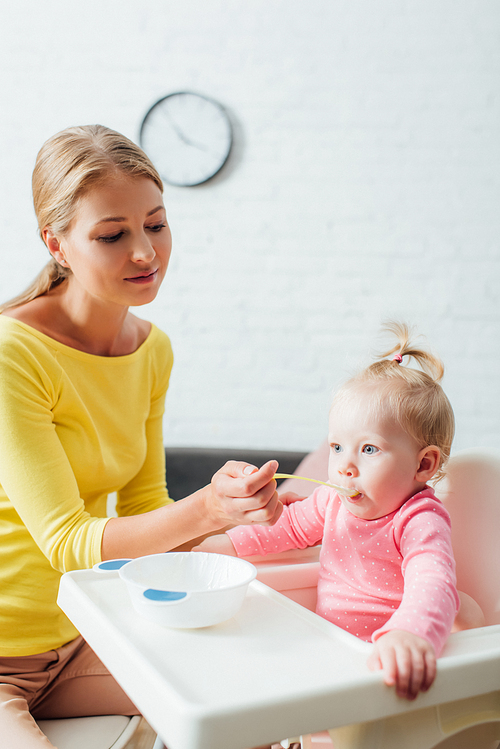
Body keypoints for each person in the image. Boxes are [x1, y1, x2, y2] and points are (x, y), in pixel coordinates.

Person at [0, 124, 282, 748]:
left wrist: (237, 514)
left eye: (155, 224)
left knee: (255, 710)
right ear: (57, 243)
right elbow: (69, 545)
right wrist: (204, 508)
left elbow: (145, 508)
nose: (145, 253)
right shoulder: (12, 354)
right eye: (112, 235)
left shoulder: (152, 352)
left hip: (83, 637)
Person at [196, 323, 483, 705]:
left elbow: (434, 584)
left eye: (368, 450)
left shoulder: (418, 519)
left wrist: (409, 635)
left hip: (384, 663)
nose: (345, 466)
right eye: (336, 447)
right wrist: (221, 547)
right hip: (330, 648)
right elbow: (288, 529)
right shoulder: (334, 500)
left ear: (423, 465)